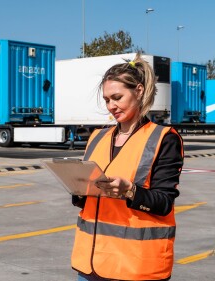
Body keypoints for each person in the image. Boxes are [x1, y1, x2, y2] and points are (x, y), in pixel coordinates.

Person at [71, 53, 184, 281]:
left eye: (117, 97)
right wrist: (77, 187)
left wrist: (130, 191)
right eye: (106, 100)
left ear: (139, 91)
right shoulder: (97, 137)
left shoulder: (163, 138)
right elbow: (85, 201)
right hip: (90, 264)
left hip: (135, 266)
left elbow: (163, 202)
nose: (111, 106)